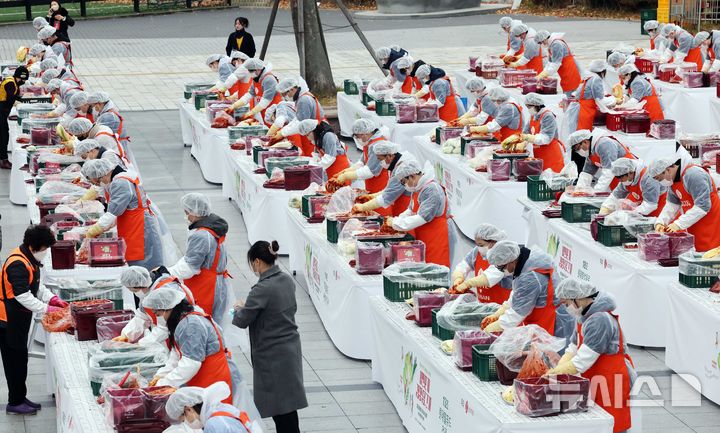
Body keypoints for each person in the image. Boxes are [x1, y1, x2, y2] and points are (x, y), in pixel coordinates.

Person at [233, 240, 308, 433]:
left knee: (280, 410)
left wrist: (238, 310)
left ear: (257, 262)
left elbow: (243, 320)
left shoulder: (261, 289)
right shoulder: (286, 280)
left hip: (272, 354)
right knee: (288, 407)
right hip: (289, 347)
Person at [547, 278, 636, 433]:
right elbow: (573, 347)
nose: (566, 308)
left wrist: (555, 373)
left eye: (566, 304)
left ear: (578, 299)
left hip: (612, 379)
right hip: (596, 377)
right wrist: (560, 366)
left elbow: (582, 361)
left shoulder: (600, 319)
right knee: (597, 424)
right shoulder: (583, 316)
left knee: (613, 425)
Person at [0, 225, 68, 415]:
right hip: (7, 320)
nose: (46, 252)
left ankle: (20, 396)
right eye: (45, 248)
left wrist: (52, 298)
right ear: (33, 247)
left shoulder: (29, 259)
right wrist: (47, 308)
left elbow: (36, 287)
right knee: (14, 361)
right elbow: (23, 295)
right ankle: (14, 402)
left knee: (21, 359)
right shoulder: (17, 264)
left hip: (18, 317)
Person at [143, 288, 244, 403]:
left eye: (159, 314)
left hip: (215, 379)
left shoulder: (191, 325)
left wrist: (163, 384)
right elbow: (176, 354)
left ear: (168, 309)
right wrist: (161, 375)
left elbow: (190, 364)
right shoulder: (183, 319)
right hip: (204, 379)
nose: (160, 318)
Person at [80, 159, 164, 270]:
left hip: (141, 230)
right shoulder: (118, 178)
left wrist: (93, 230)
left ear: (103, 174)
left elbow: (112, 213)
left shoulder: (120, 183)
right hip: (134, 226)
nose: (98, 184)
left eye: (97, 181)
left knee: (143, 269)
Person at [482, 240, 573, 340]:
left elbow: (515, 315)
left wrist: (490, 329)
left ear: (511, 261)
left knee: (555, 354)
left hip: (555, 322)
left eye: (501, 267)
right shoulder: (526, 261)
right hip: (545, 316)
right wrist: (499, 313)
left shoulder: (529, 277)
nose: (501, 271)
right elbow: (518, 294)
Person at [166, 193, 230, 323]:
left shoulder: (201, 235)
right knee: (214, 324)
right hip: (217, 283)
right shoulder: (213, 227)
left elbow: (190, 267)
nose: (186, 215)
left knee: (202, 322)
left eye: (187, 212)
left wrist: (167, 273)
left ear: (194, 213)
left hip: (207, 288)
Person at [649, 156, 720, 252]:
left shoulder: (694, 175)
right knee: (697, 254)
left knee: (711, 256)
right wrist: (661, 222)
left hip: (711, 224)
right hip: (693, 224)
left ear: (667, 170)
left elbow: (702, 207)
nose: (660, 182)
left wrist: (678, 224)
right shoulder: (672, 181)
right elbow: (672, 205)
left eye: (659, 179)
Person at [389, 159, 450, 266]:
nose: (405, 186)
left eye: (404, 182)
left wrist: (396, 223)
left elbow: (423, 217)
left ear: (412, 176)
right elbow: (410, 210)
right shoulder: (417, 188)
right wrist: (399, 218)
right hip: (423, 238)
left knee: (435, 272)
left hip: (436, 239)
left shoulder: (431, 189)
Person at [113, 266, 196, 345]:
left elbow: (164, 329)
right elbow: (142, 317)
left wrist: (141, 344)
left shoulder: (164, 294)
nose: (135, 294)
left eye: (134, 291)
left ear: (141, 285)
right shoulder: (149, 290)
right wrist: (125, 335)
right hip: (168, 335)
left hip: (183, 334)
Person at [166, 382, 263, 433]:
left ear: (188, 409)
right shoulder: (222, 408)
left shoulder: (214, 424)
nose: (186, 423)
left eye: (184, 420)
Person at [452, 224, 511, 304]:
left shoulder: (503, 254)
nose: (479, 247)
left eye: (481, 245)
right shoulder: (477, 252)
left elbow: (489, 277)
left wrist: (468, 284)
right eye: (477, 244)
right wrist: (458, 278)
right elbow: (463, 266)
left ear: (493, 242)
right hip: (484, 305)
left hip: (502, 307)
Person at [352, 144, 416, 217]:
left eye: (380, 159)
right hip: (399, 203)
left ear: (389, 156)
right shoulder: (398, 162)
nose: (380, 162)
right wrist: (371, 196)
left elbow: (386, 197)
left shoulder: (402, 170)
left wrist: (363, 207)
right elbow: (389, 189)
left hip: (405, 205)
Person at [335, 119, 390, 204]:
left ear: (365, 134)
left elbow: (369, 171)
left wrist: (347, 176)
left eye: (357, 136)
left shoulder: (378, 145)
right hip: (372, 185)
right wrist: (346, 171)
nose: (357, 139)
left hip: (380, 185)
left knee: (379, 211)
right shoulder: (369, 143)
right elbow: (361, 162)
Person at [568, 129, 637, 192]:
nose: (578, 152)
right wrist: (579, 190)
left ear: (585, 141)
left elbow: (608, 172)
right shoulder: (591, 152)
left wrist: (596, 192)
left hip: (631, 177)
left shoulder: (604, 144)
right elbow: (587, 173)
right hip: (618, 179)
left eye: (577, 148)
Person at [599, 158, 666, 217]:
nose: (619, 180)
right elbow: (615, 196)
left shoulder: (648, 179)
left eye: (620, 177)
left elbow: (650, 205)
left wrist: (629, 214)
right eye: (617, 177)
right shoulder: (626, 179)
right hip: (642, 208)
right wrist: (605, 208)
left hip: (658, 208)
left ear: (630, 172)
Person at [276, 77, 325, 156]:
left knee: (313, 157)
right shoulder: (301, 97)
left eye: (285, 94)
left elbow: (299, 123)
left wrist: (283, 133)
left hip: (316, 131)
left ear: (291, 89)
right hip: (313, 129)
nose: (284, 97)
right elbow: (297, 118)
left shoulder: (303, 100)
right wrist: (285, 129)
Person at [517, 92, 565, 172]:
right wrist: (521, 142)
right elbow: (525, 132)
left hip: (551, 156)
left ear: (537, 105)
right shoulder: (533, 116)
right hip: (539, 155)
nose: (528, 109)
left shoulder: (548, 116)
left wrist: (529, 138)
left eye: (529, 106)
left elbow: (546, 138)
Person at [228, 58, 281, 125]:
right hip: (265, 112)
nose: (249, 73)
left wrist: (250, 113)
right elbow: (249, 95)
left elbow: (265, 102)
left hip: (275, 112)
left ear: (258, 69)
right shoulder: (256, 79)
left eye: (251, 70)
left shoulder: (268, 79)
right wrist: (234, 106)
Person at [569, 59, 616, 133]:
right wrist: (614, 100)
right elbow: (600, 100)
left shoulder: (588, 77)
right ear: (602, 70)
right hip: (584, 111)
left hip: (580, 109)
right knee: (583, 135)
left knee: (578, 134)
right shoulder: (596, 79)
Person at [535, 30, 582, 95]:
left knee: (571, 95)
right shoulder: (551, 45)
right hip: (565, 74)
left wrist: (543, 75)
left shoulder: (556, 44)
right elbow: (550, 63)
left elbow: (555, 65)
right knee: (567, 92)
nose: (541, 45)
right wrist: (542, 73)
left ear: (544, 39)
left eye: (541, 43)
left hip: (570, 73)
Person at [0, 66, 29, 169]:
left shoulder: (13, 82)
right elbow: (10, 98)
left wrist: (21, 99)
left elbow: (13, 96)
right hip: (1, 111)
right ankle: (3, 160)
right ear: (20, 77)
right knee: (3, 136)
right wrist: (19, 101)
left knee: (4, 134)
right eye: (24, 79)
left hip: (3, 111)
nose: (24, 81)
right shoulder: (11, 83)